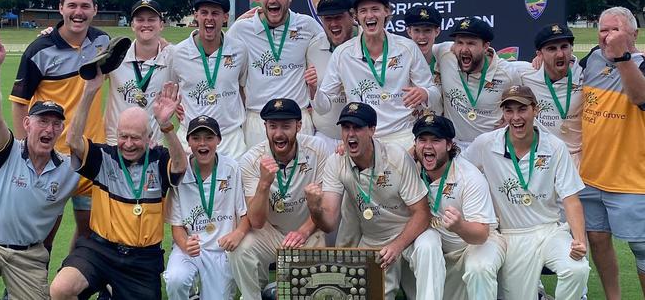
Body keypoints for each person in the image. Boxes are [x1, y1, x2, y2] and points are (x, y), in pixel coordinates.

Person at [49, 74, 187, 299]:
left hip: (143, 259)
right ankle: (108, 288)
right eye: (123, 136)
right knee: (60, 289)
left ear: (149, 136)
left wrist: (166, 126)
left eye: (135, 138)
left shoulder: (159, 159)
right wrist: (89, 92)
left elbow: (180, 166)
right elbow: (73, 141)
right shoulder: (103, 157)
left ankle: (111, 291)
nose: (129, 144)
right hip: (100, 250)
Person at [306, 102, 445, 300]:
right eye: (346, 127)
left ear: (372, 130)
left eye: (358, 127)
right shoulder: (336, 162)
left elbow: (422, 213)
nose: (350, 134)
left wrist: (397, 246)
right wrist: (314, 208)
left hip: (410, 236)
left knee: (429, 244)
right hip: (374, 242)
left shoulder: (396, 157)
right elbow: (328, 223)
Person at [463, 85, 589, 299]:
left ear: (535, 110)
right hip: (507, 234)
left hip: (548, 230)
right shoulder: (486, 144)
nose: (515, 117)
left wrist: (579, 241)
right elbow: (460, 172)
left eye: (522, 109)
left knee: (577, 269)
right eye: (509, 110)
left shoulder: (555, 147)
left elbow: (571, 199)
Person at [9, 0, 110, 245]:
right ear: (60, 8)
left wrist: (165, 46)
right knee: (41, 238)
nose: (79, 12)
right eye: (72, 5)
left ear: (95, 9)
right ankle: (28, 287)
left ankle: (71, 286)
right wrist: (25, 154)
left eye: (85, 6)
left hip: (90, 154)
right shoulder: (39, 49)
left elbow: (138, 53)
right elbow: (19, 103)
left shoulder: (103, 41)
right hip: (50, 158)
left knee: (88, 235)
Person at [311, 0, 442, 149]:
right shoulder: (342, 53)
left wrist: (424, 92)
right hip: (362, 138)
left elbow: (434, 92)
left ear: (386, 11)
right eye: (363, 10)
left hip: (403, 136)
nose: (369, 15)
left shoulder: (407, 48)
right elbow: (323, 108)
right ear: (356, 16)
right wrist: (314, 90)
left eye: (375, 9)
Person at [0, 39, 79, 299]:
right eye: (42, 121)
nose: (49, 129)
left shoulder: (69, 170)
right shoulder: (8, 150)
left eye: (56, 124)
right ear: (27, 123)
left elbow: (56, 214)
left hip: (29, 256)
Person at [577, 7, 645, 299]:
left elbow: (640, 97)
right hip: (590, 176)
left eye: (616, 30)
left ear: (634, 33)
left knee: (642, 251)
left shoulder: (641, 65)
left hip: (631, 180)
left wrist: (622, 58)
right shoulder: (592, 58)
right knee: (597, 241)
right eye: (604, 30)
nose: (608, 36)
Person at [229, 98, 327, 300]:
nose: (279, 133)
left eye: (286, 126)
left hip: (307, 232)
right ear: (265, 127)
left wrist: (304, 231)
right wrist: (264, 184)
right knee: (240, 250)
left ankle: (277, 289)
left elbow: (324, 206)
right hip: (269, 232)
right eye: (273, 126)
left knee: (310, 292)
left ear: (299, 126)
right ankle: (253, 297)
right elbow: (256, 221)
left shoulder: (318, 150)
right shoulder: (251, 160)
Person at [412, 114, 505, 300]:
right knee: (426, 242)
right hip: (439, 249)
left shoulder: (469, 177)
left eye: (436, 140)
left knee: (479, 268)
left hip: (474, 244)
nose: (428, 146)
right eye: (422, 140)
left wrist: (459, 226)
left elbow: (481, 234)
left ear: (448, 145)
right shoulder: (410, 169)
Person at [226, 0, 323, 147]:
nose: (272, 0)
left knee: (301, 174)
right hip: (258, 120)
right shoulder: (241, 29)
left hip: (297, 119)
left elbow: (333, 46)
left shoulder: (306, 25)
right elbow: (218, 61)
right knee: (258, 174)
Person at [163, 115, 249, 300]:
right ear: (188, 142)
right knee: (176, 280)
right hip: (190, 248)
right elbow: (176, 226)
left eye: (209, 138)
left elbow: (244, 214)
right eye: (196, 138)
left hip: (220, 250)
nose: (203, 144)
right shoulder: (180, 172)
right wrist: (186, 244)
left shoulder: (232, 168)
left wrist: (238, 234)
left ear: (219, 139)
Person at [170, 0, 249, 159]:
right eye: (204, 13)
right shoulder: (178, 53)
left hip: (230, 137)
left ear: (225, 17)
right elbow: (171, 89)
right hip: (190, 137)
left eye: (215, 13)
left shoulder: (239, 50)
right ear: (195, 15)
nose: (209, 18)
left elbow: (242, 88)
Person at [434, 17, 520, 149]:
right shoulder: (445, 54)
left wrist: (509, 123)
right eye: (459, 43)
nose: (464, 49)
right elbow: (417, 49)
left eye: (471, 43)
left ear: (486, 46)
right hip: (454, 145)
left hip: (491, 147)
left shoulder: (508, 74)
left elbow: (521, 105)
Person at [104, 0, 172, 145]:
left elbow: (198, 51)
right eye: (140, 20)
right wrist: (52, 34)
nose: (146, 24)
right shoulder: (115, 55)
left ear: (161, 24)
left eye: (151, 20)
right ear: (132, 25)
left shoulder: (172, 57)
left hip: (153, 147)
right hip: (116, 144)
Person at [515, 23, 584, 166]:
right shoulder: (526, 73)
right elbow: (493, 64)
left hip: (579, 159)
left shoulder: (585, 73)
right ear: (539, 54)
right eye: (551, 49)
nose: (560, 54)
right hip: (543, 159)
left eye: (564, 47)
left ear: (571, 48)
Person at [305, 0, 356, 153]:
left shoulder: (367, 43)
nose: (333, 23)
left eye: (338, 17)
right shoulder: (312, 47)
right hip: (324, 137)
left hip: (362, 137)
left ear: (352, 16)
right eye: (328, 18)